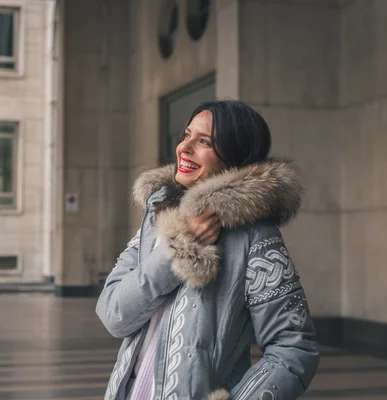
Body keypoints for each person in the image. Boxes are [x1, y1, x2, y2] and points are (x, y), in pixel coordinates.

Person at [96, 100, 320, 400]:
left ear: (234, 157)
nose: (184, 148)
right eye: (185, 136)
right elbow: (113, 314)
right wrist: (178, 246)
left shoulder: (255, 237)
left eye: (204, 142)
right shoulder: (157, 219)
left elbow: (293, 347)